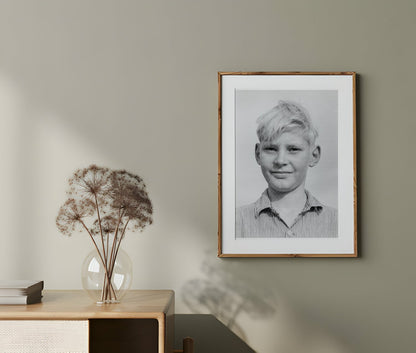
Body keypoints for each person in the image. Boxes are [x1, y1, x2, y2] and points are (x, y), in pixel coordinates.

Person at [236, 100, 337, 238]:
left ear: (314, 155)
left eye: (293, 149)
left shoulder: (338, 223)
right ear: (258, 154)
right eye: (271, 149)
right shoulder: (235, 222)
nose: (280, 160)